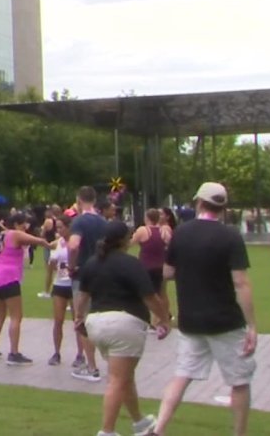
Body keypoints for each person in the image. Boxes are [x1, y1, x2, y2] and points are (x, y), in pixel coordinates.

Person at [153, 183, 257, 436]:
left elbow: (167, 272)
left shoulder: (181, 233)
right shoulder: (230, 235)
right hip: (226, 320)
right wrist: (252, 325)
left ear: (199, 202)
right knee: (240, 381)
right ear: (223, 207)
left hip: (191, 319)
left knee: (182, 375)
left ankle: (159, 428)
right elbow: (240, 282)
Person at [74, 220, 173, 436]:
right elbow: (150, 297)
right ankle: (107, 431)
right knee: (118, 379)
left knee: (124, 376)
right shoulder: (130, 263)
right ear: (124, 240)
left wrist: (78, 318)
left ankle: (140, 422)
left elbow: (82, 296)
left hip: (96, 323)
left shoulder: (92, 262)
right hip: (124, 324)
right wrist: (164, 318)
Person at [0, 212, 50, 365]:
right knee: (16, 316)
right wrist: (49, 244)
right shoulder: (15, 234)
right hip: (9, 278)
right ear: (15, 225)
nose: (24, 229)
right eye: (22, 225)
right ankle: (14, 353)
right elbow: (37, 241)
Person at [67, 185, 107, 382]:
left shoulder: (79, 221)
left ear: (79, 200)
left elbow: (73, 245)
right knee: (99, 319)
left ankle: (91, 367)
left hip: (83, 274)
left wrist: (71, 265)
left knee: (82, 321)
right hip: (103, 273)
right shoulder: (103, 221)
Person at [47, 214, 83, 367]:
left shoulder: (77, 243)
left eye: (62, 227)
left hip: (74, 285)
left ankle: (81, 354)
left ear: (69, 227)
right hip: (60, 284)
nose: (59, 230)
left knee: (78, 321)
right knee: (58, 320)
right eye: (58, 227)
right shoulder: (58, 243)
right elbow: (51, 265)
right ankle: (56, 353)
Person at [132, 208, 173, 330]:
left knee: (146, 294)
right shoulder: (165, 230)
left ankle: (149, 319)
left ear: (147, 218)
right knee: (161, 293)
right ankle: (163, 318)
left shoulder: (143, 230)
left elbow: (130, 242)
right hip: (161, 265)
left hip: (146, 266)